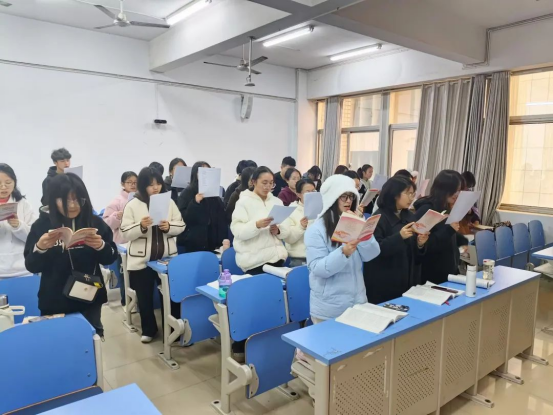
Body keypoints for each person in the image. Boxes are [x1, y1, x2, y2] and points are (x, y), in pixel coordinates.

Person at [24, 173, 118, 337]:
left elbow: (110, 256)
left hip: (90, 296)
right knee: (58, 342)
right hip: (55, 299)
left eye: (78, 199)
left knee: (91, 341)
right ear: (53, 200)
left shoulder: (94, 222)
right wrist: (40, 247)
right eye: (65, 200)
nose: (73, 205)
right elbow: (31, 265)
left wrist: (101, 246)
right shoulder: (41, 226)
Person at [121, 167, 185, 343]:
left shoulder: (169, 202)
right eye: (150, 185)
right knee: (144, 297)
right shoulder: (133, 205)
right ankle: (149, 330)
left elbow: (181, 225)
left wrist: (169, 227)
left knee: (170, 296)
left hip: (166, 259)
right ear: (143, 186)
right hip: (141, 259)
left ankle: (172, 330)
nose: (155, 188)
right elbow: (125, 232)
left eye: (158, 184)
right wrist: (141, 226)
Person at [305, 174, 380, 322]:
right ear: (332, 198)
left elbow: (372, 254)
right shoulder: (316, 229)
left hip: (357, 302)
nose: (348, 201)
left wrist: (363, 230)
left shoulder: (354, 222)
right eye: (343, 197)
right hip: (329, 308)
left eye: (351, 197)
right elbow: (317, 268)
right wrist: (343, 253)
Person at [363, 177, 429, 304]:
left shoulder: (410, 216)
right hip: (385, 283)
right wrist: (399, 237)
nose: (411, 198)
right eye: (408, 194)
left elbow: (414, 252)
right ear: (394, 194)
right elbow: (374, 251)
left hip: (408, 279)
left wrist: (420, 244)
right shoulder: (378, 218)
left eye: (413, 194)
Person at [231, 166, 290, 274]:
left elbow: (286, 229)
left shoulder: (276, 201)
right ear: (254, 182)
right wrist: (256, 225)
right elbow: (237, 231)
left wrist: (278, 231)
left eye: (271, 183)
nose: (268, 187)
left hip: (277, 259)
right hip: (255, 262)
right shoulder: (243, 202)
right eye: (264, 183)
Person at [414, 170, 467, 284]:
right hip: (432, 276)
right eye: (455, 190)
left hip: (449, 272)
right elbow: (424, 245)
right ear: (444, 189)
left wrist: (462, 241)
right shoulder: (426, 210)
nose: (457, 194)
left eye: (459, 190)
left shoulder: (445, 207)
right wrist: (449, 230)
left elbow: (448, 237)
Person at [177, 162, 228, 253]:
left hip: (212, 243)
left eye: (209, 172)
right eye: (203, 172)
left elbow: (221, 219)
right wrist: (195, 202)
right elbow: (183, 218)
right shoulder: (187, 192)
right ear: (195, 174)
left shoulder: (214, 195)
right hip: (193, 243)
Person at [103, 171, 137, 305]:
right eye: (129, 182)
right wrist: (117, 216)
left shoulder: (141, 198)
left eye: (135, 182)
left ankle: (137, 303)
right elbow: (106, 224)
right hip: (122, 244)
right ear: (123, 184)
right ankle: (126, 302)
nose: (133, 185)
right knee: (125, 275)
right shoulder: (116, 201)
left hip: (138, 242)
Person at [0, 164, 36, 278]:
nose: (3, 187)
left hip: (23, 269)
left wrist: (18, 226)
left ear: (14, 183)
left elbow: (34, 237)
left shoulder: (24, 204)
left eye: (8, 182)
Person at [284, 179, 316, 267]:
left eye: (313, 191)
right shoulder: (291, 211)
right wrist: (301, 226)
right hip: (299, 257)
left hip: (318, 255)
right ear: (298, 194)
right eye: (308, 192)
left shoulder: (320, 210)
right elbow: (289, 239)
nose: (311, 195)